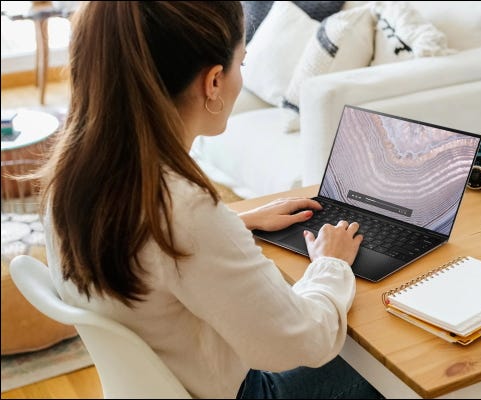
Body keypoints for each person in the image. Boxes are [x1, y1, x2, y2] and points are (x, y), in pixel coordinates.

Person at [38, 2, 382, 399]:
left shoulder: (71, 173)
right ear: (213, 82)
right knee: (391, 365)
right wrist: (331, 265)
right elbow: (303, 342)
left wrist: (238, 222)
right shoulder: (186, 211)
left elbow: (160, 251)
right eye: (242, 63)